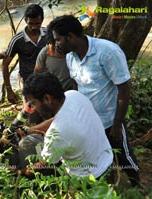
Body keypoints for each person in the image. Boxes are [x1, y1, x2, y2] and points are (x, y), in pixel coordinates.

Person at [49, 15, 140, 185]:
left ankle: (138, 187)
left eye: (58, 39)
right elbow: (77, 88)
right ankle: (109, 184)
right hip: (88, 122)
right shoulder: (70, 57)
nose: (56, 44)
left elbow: (124, 89)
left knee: (124, 157)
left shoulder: (107, 52)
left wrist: (117, 124)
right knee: (98, 157)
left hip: (110, 121)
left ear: (70, 36)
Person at [21, 72, 113, 178]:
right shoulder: (74, 95)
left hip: (89, 178)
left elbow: (43, 166)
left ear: (47, 99)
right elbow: (57, 119)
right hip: (107, 159)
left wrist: (19, 172)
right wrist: (30, 130)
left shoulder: (56, 134)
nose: (34, 109)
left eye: (34, 103)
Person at [2, 4, 47, 104]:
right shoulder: (17, 40)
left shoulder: (48, 34)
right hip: (27, 82)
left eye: (37, 24)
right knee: (29, 112)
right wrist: (9, 90)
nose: (34, 27)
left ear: (42, 20)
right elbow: (5, 65)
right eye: (30, 24)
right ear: (25, 20)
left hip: (46, 80)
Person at [35, 25, 76, 91]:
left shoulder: (73, 52)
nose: (57, 46)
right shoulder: (45, 53)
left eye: (59, 41)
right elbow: (37, 75)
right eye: (55, 43)